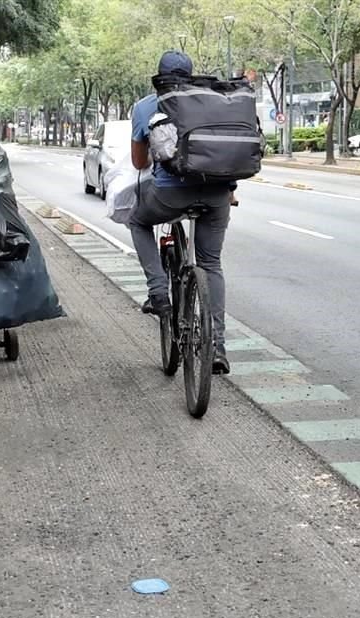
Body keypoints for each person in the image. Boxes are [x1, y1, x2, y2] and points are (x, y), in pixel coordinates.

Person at [129, 50, 235, 375]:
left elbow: (139, 164)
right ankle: (216, 347)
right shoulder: (214, 101)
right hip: (218, 193)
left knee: (137, 220)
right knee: (211, 263)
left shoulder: (146, 106)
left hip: (169, 196)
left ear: (158, 76)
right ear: (191, 76)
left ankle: (158, 291)